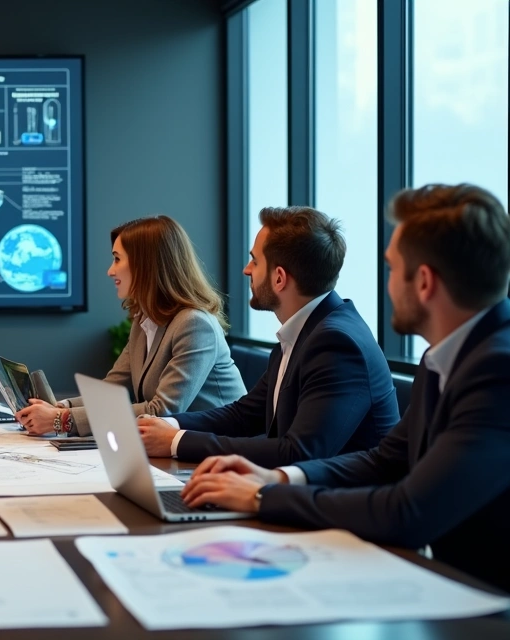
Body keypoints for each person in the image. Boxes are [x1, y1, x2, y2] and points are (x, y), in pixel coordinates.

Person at [181, 184, 510, 592]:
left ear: (424, 282)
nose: (387, 286)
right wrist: (279, 479)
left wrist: (263, 497)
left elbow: (409, 512)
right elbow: (384, 461)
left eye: (391, 269)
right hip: (448, 583)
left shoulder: (497, 370)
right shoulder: (442, 357)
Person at [137, 207, 400, 467]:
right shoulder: (306, 331)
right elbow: (245, 414)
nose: (246, 270)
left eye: (255, 260)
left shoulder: (337, 345)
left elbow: (298, 453)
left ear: (279, 278)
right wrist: (168, 425)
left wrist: (176, 441)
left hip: (341, 504)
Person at [16, 216, 246, 436]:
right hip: (177, 448)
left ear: (146, 265)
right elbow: (111, 391)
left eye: (117, 259)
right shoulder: (143, 321)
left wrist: (62, 419)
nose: (110, 270)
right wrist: (59, 406)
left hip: (219, 453)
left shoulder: (195, 324)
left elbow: (162, 412)